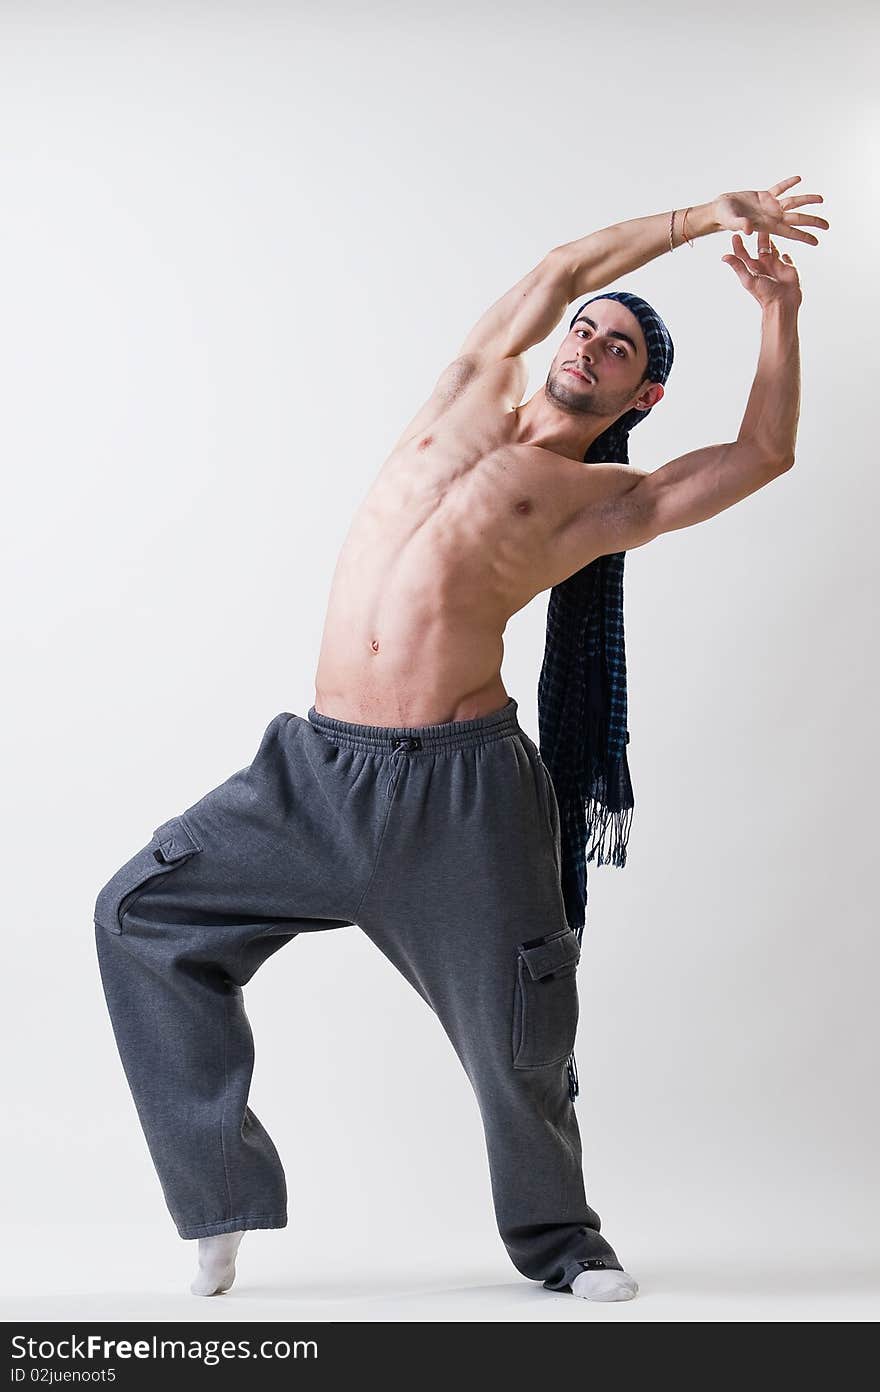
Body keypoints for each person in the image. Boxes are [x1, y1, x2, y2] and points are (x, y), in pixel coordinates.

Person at [94, 176, 826, 1303]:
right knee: (139, 916)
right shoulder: (465, 392)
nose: (588, 342)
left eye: (619, 347)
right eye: (587, 331)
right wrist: (695, 218)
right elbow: (557, 272)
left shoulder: (602, 501)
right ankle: (221, 1199)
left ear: (645, 391)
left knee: (522, 1031)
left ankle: (562, 1242)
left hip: (461, 795)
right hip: (312, 775)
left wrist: (776, 309)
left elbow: (761, 453)